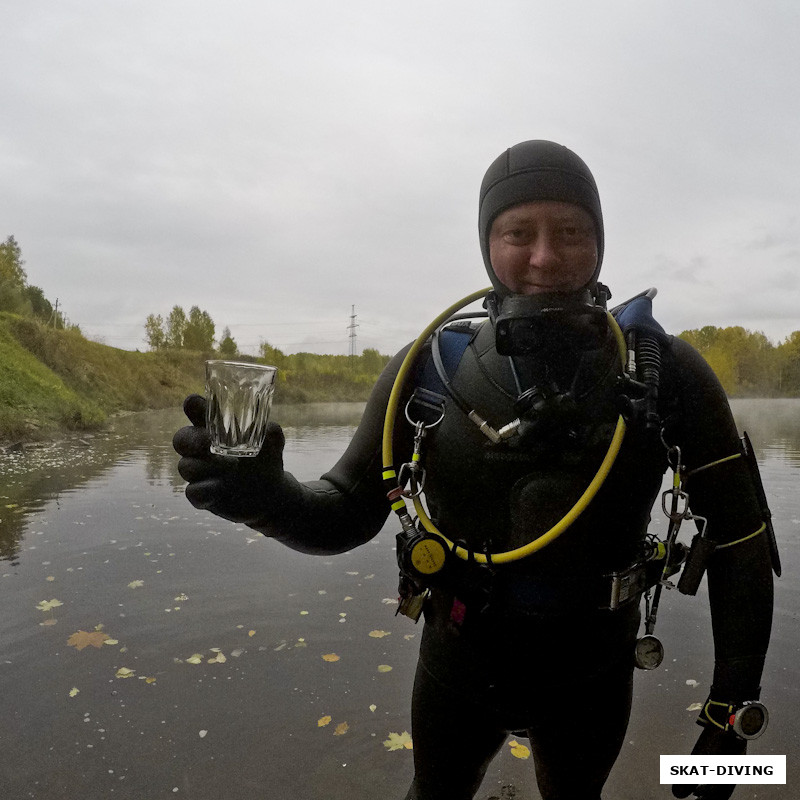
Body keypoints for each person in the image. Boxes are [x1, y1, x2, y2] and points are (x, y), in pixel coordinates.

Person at [173, 140, 776, 800]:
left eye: (571, 232)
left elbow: (741, 541)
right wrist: (269, 499)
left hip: (595, 665)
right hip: (460, 658)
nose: (545, 257)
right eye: (519, 233)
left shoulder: (665, 374)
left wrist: (731, 723)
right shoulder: (428, 369)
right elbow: (346, 509)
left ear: (600, 243)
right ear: (487, 243)